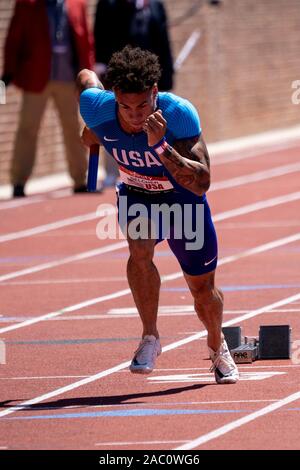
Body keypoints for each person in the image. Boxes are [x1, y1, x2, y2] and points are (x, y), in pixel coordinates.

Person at [78, 46, 239, 384]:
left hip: (182, 200)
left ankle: (216, 344)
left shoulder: (179, 114)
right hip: (137, 196)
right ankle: (150, 336)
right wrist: (90, 131)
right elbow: (86, 80)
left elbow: (202, 183)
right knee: (139, 251)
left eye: (142, 106)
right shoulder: (96, 107)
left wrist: (160, 147)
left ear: (155, 93)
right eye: (125, 106)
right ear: (114, 98)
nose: (135, 115)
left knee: (202, 290)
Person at [2, 0, 94, 197]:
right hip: (36, 78)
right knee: (28, 128)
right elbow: (14, 38)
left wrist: (89, 74)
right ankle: (19, 180)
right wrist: (8, 73)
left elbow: (86, 39)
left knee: (73, 128)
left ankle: (80, 179)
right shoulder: (27, 5)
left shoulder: (77, 4)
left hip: (68, 78)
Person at [93, 0, 174, 187]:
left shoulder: (154, 5)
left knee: (151, 125)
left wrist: (167, 77)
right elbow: (100, 33)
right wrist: (101, 66)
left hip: (149, 80)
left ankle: (154, 171)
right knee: (115, 123)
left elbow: (163, 39)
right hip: (120, 78)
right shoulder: (109, 4)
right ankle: (113, 172)